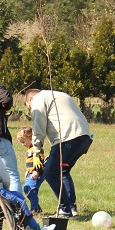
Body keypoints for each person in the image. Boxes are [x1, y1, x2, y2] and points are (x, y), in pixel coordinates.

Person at [25, 88, 93, 218]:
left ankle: (64, 209)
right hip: (84, 137)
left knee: (50, 173)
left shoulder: (38, 99)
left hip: (67, 138)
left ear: (30, 100)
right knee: (62, 171)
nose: (31, 109)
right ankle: (71, 207)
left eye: (29, 107)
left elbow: (38, 127)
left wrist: (37, 153)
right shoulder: (60, 94)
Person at [16, 126, 45, 214]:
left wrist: (36, 171)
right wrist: (28, 170)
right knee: (26, 189)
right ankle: (37, 207)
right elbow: (30, 162)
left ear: (30, 138)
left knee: (31, 190)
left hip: (36, 173)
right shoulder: (30, 149)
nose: (22, 144)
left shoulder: (36, 149)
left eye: (23, 142)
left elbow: (40, 160)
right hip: (31, 173)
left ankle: (34, 209)